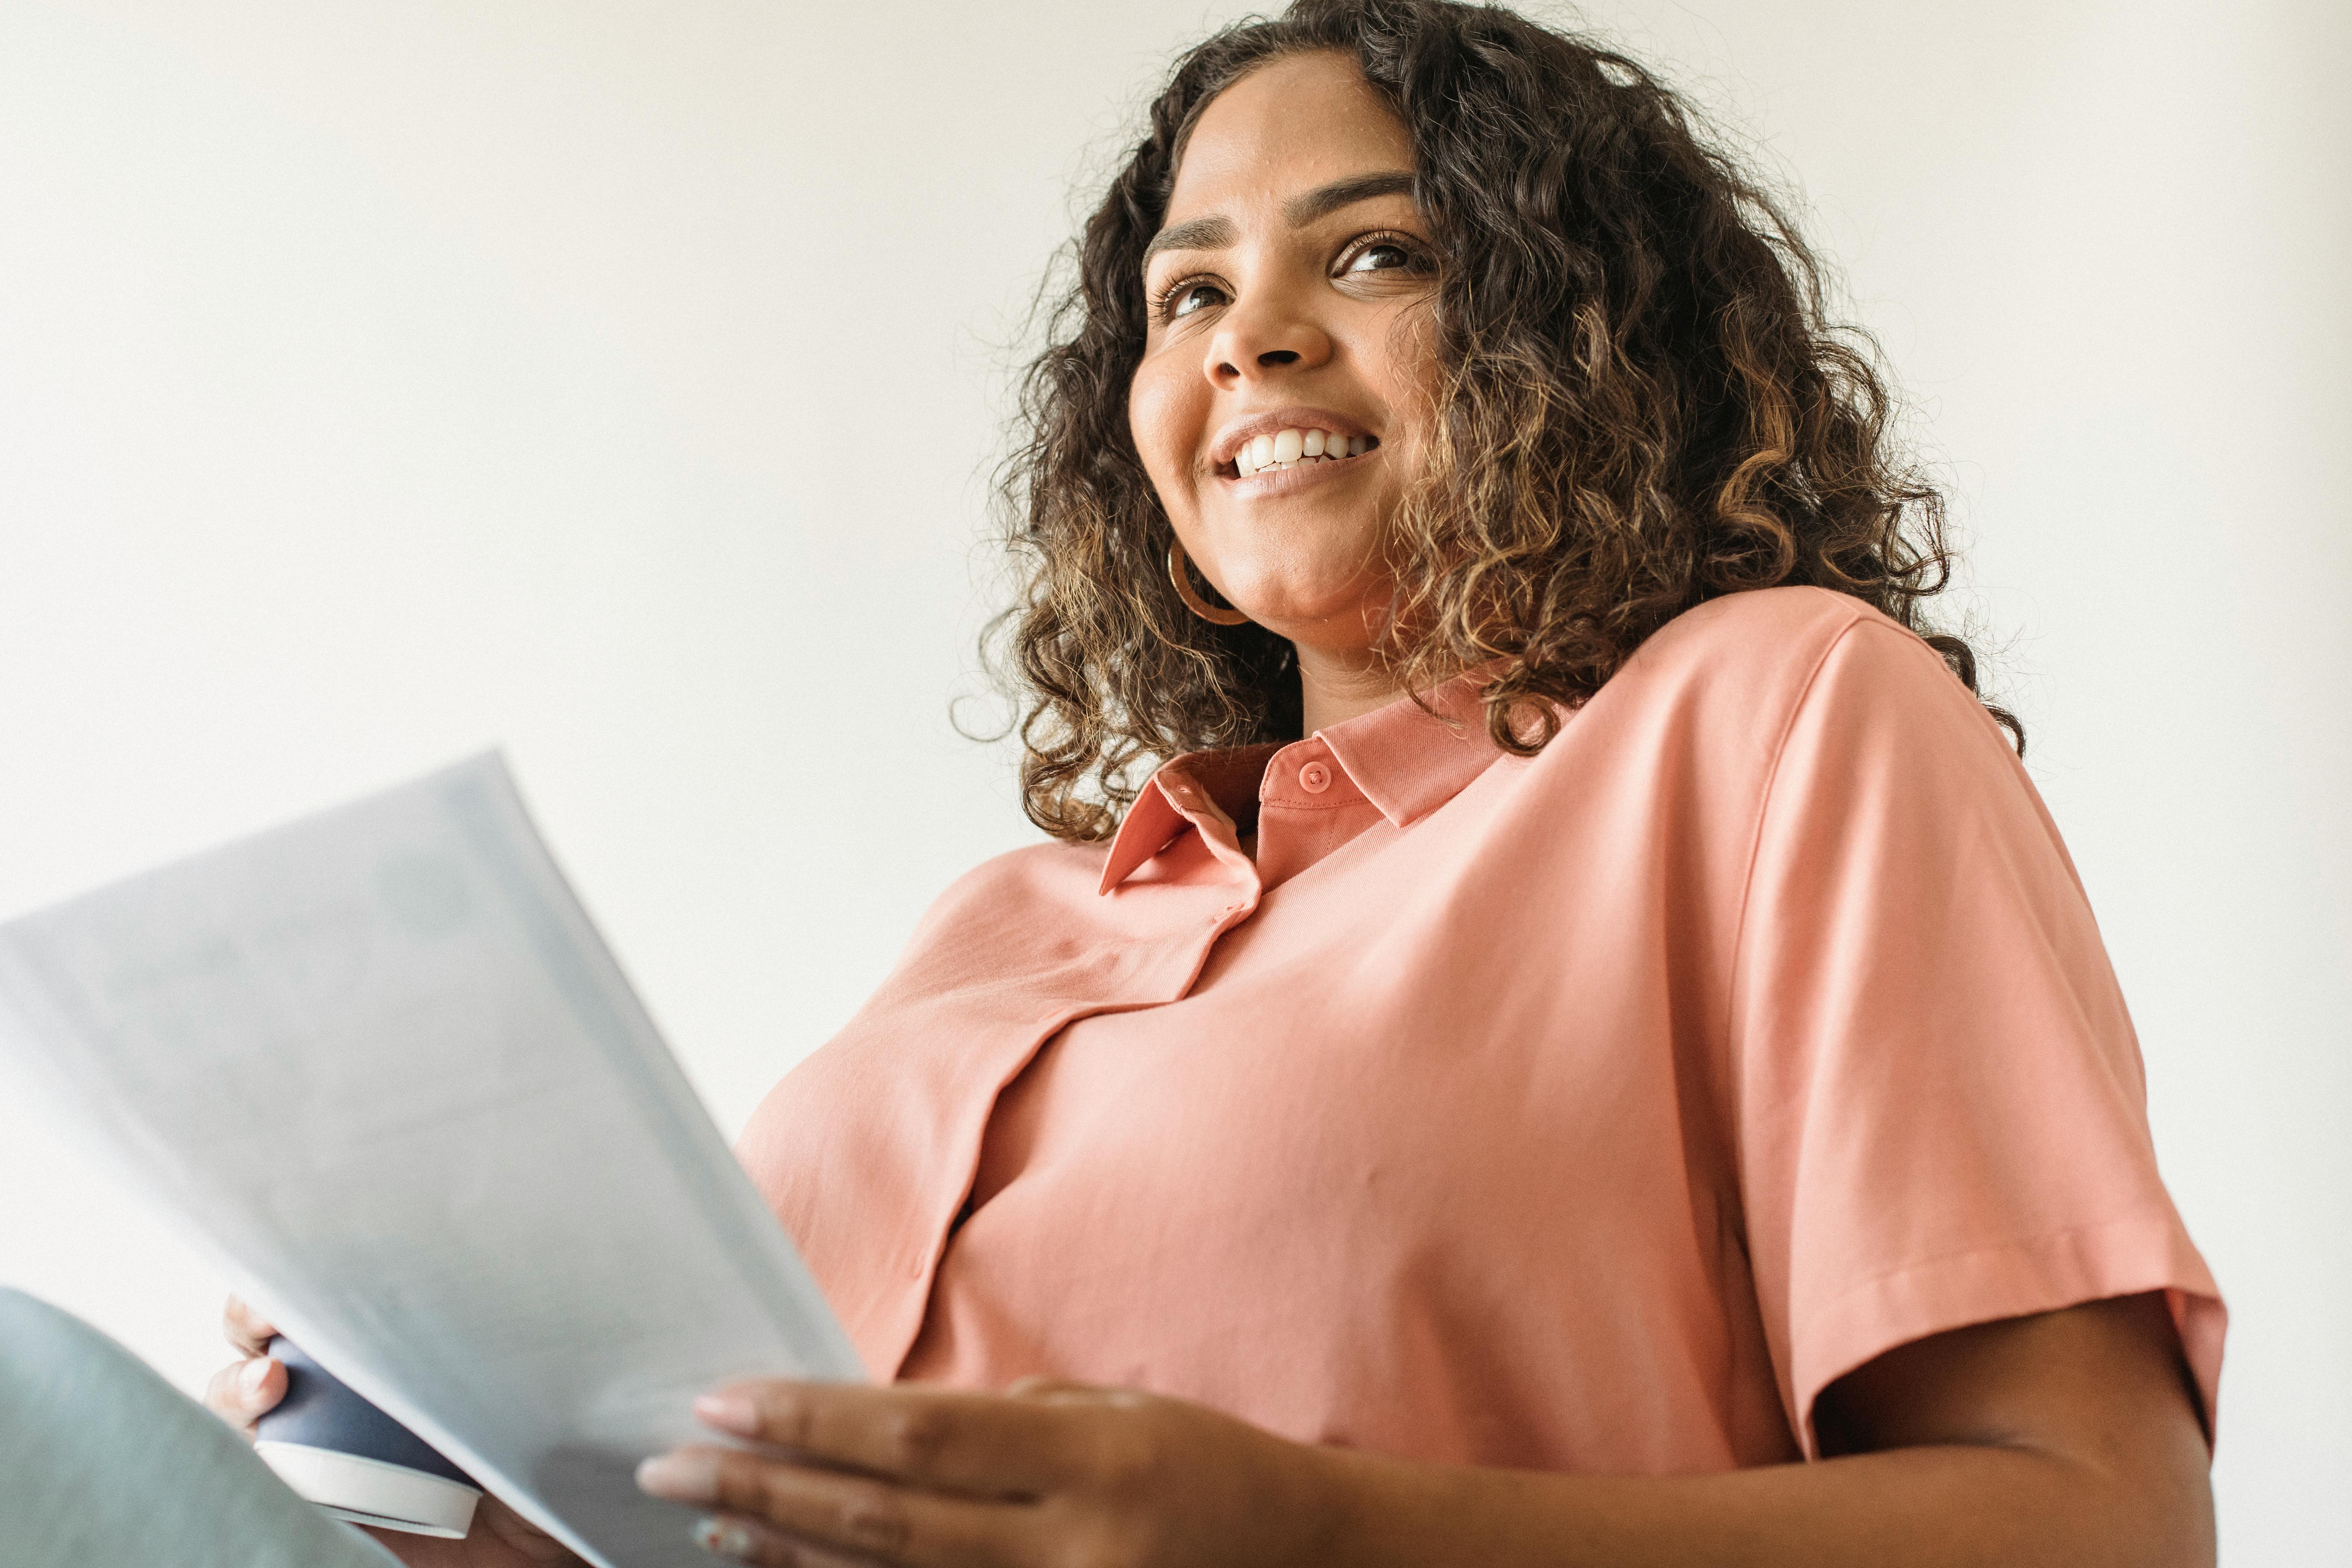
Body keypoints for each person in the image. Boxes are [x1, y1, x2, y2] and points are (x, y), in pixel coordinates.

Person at [206, 2, 2225, 1564]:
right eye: (1190, 294)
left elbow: (2091, 1520)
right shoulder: (1001, 930)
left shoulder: (1778, 720)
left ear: (1574, 344)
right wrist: (441, 1458)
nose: (1250, 332)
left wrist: (1321, 1530)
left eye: (1372, 256)